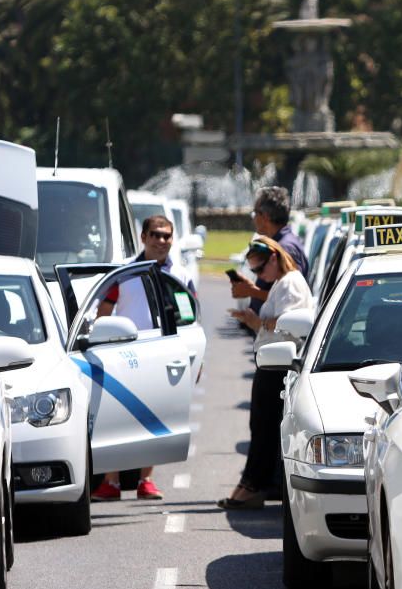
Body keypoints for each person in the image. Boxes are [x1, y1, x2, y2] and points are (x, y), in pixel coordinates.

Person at [91, 215, 196, 502]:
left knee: (155, 416)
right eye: (156, 235)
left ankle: (145, 480)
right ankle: (110, 482)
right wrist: (102, 342)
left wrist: (195, 359)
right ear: (144, 238)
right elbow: (105, 309)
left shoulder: (182, 275)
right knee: (117, 415)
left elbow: (190, 317)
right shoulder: (124, 273)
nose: (161, 241)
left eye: (166, 236)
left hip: (163, 354)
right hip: (123, 354)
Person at [220, 237, 312, 509]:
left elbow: (288, 324)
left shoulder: (291, 282)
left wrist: (262, 322)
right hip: (270, 361)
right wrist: (254, 322)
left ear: (274, 258)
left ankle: (253, 485)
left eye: (260, 271)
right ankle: (250, 483)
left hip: (278, 366)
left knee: (264, 428)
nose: (259, 278)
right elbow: (273, 326)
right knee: (260, 427)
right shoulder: (280, 284)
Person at [231, 186, 307, 316]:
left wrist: (251, 291)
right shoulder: (280, 243)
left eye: (255, 213)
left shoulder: (286, 248)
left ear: (265, 217)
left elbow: (290, 297)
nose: (253, 219)